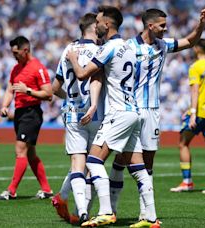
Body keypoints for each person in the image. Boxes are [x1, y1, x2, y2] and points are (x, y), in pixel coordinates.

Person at [108, 7, 205, 220]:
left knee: (148, 162)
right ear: (150, 25)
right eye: (162, 25)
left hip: (152, 111)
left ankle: (146, 212)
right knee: (120, 159)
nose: (166, 29)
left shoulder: (163, 45)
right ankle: (112, 209)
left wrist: (201, 24)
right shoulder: (127, 47)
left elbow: (190, 41)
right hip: (130, 110)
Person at [66, 5, 160, 228]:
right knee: (138, 168)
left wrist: (72, 57)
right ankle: (151, 218)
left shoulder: (108, 48)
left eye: (98, 21)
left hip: (117, 113)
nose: (96, 25)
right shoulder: (129, 47)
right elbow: (102, 76)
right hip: (134, 112)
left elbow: (82, 74)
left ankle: (106, 211)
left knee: (93, 160)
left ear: (107, 24)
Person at [51, 13, 105, 224]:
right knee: (92, 164)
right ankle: (82, 212)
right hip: (97, 113)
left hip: (73, 113)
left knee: (77, 162)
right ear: (94, 28)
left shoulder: (68, 50)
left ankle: (68, 201)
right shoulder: (101, 50)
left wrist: (71, 98)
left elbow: (55, 88)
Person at [0, 36, 53, 200]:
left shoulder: (38, 68)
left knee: (20, 150)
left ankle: (11, 191)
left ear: (25, 50)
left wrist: (28, 91)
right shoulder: (15, 69)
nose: (14, 56)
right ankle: (46, 190)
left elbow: (48, 94)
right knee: (31, 154)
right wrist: (5, 106)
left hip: (32, 113)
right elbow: (9, 90)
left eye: (16, 52)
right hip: (20, 113)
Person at [170, 38, 205, 195]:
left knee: (183, 143)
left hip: (200, 112)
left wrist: (192, 113)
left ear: (198, 49)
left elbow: (195, 91)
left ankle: (187, 182)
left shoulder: (195, 66)